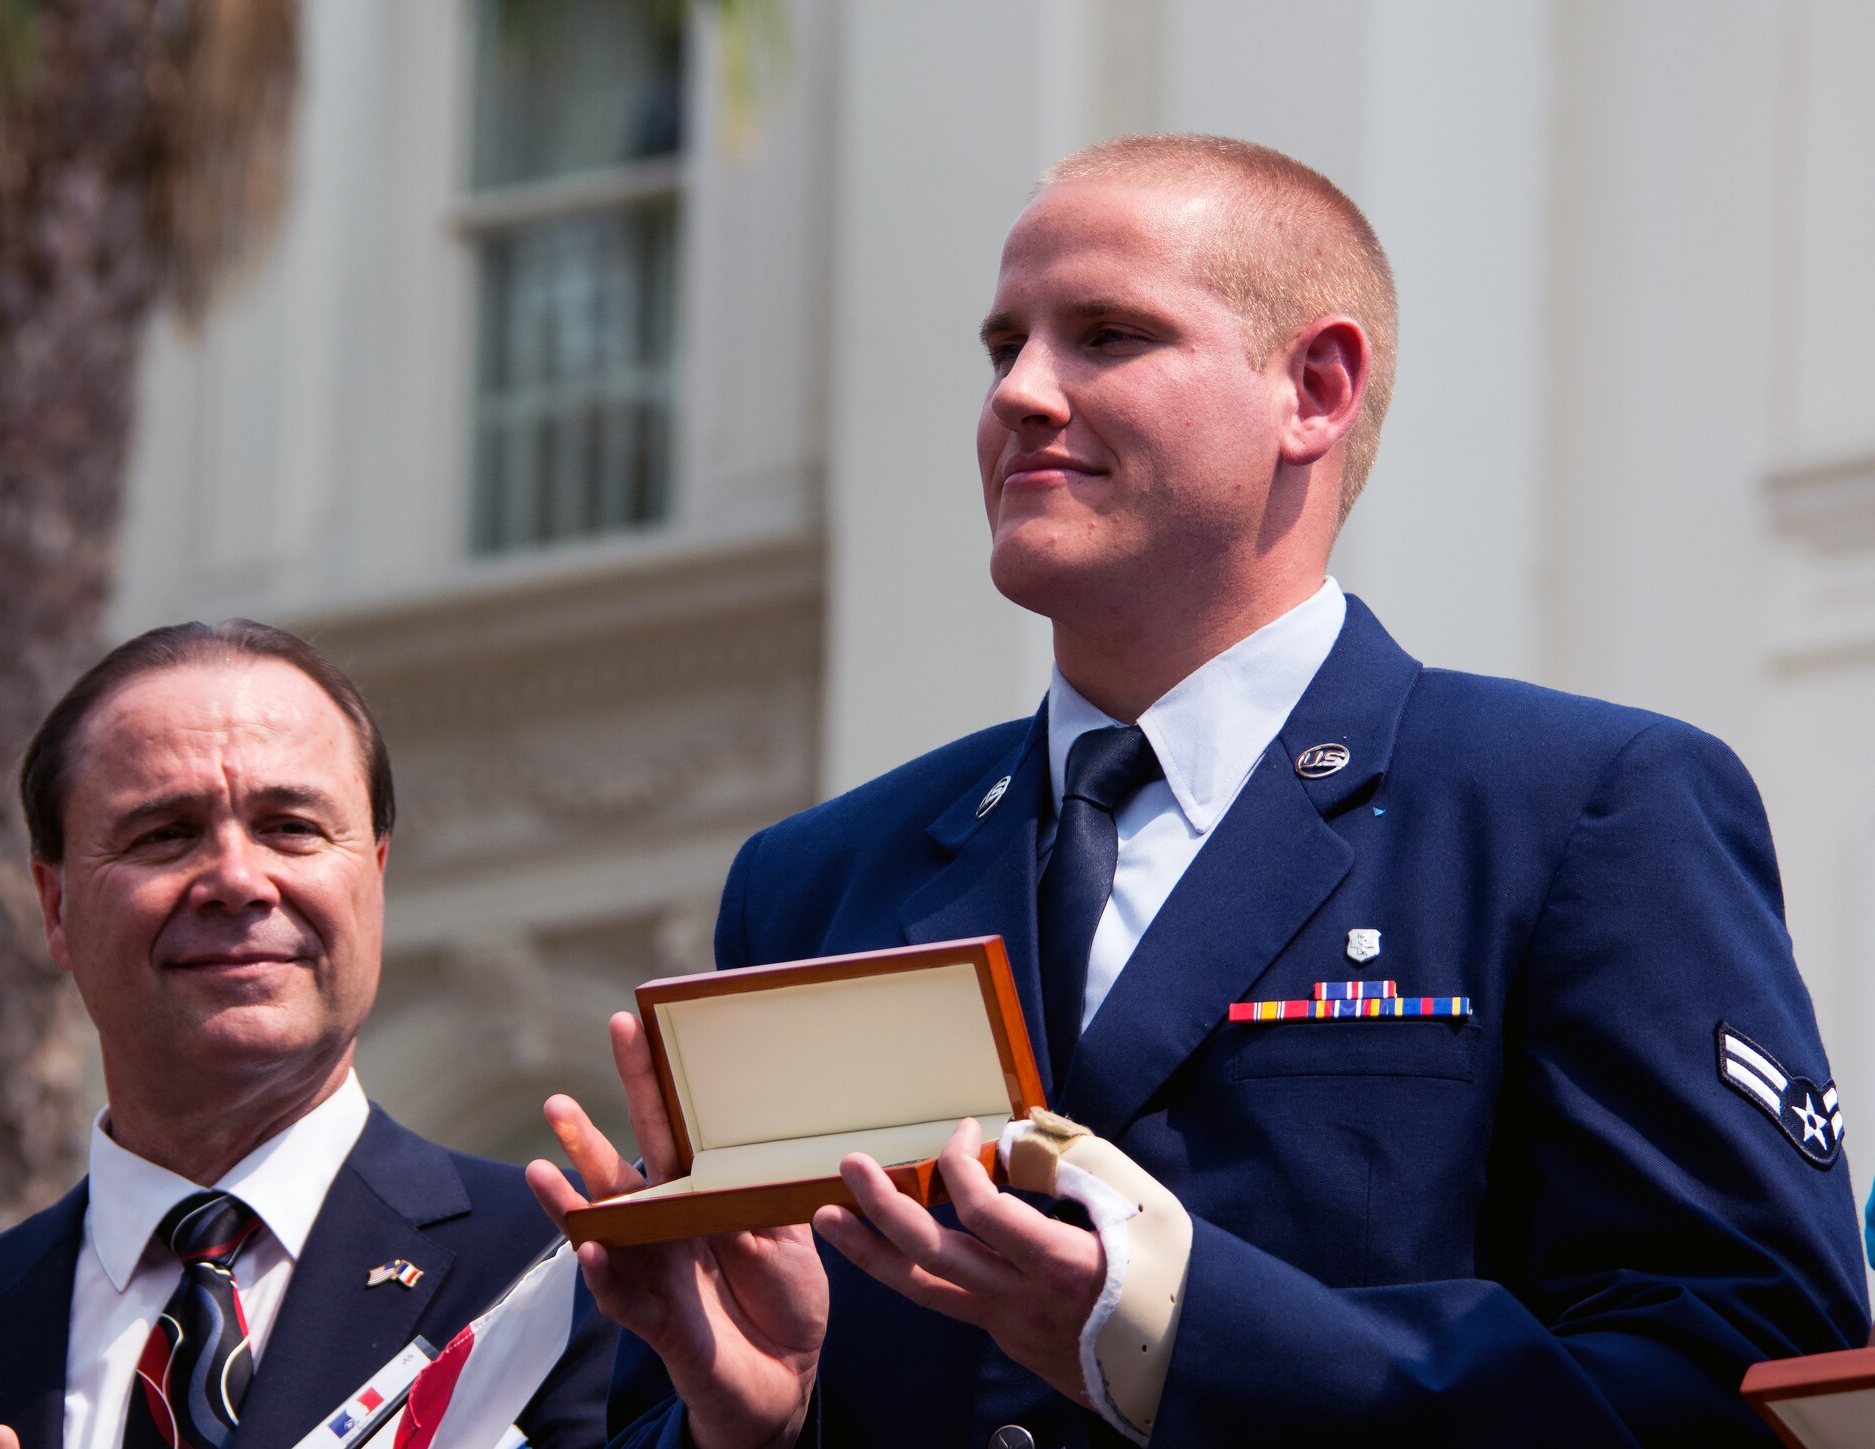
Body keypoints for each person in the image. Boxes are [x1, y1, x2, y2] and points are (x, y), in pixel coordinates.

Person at [530, 134, 1871, 1447]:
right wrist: (754, 1423)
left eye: (1107, 334)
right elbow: (685, 1399)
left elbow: (1737, 1372)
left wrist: (1179, 1334)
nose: (1021, 395)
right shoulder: (823, 877)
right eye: (1005, 347)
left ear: (1316, 388)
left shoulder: (1570, 809)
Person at [0, 620, 615, 1448]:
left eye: (291, 826)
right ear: (55, 906)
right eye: (165, 834)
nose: (236, 878)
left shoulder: (578, 1273)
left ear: (373, 874)